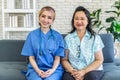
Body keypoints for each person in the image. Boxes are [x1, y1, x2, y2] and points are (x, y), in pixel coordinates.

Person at [21, 6, 65, 80]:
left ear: (52, 21)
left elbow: (57, 58)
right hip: (35, 69)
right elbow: (31, 57)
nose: (45, 20)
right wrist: (38, 71)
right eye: (43, 16)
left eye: (49, 18)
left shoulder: (58, 36)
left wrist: (52, 70)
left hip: (54, 70)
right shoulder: (32, 35)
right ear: (39, 17)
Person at [62, 6, 104, 80]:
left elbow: (99, 60)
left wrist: (84, 71)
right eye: (76, 19)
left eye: (82, 19)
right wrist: (73, 72)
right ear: (73, 21)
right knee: (66, 78)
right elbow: (64, 59)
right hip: (73, 70)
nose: (79, 21)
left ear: (87, 21)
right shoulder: (68, 38)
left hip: (91, 70)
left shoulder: (95, 38)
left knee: (91, 77)